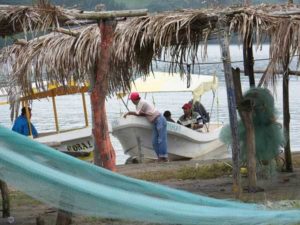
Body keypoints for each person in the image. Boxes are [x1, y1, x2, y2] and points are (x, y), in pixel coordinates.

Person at [124, 92, 168, 162]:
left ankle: (163, 157)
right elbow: (143, 114)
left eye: (131, 100)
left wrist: (129, 113)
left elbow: (137, 114)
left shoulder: (141, 103)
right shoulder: (141, 103)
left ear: (133, 100)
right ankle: (160, 157)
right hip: (155, 122)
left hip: (159, 119)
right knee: (154, 142)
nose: (131, 101)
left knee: (161, 140)